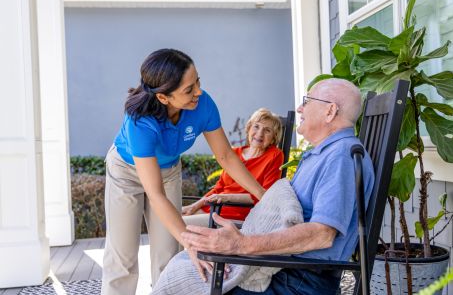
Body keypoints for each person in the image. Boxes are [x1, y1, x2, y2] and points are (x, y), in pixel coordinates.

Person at [182, 78, 375, 295]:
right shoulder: (323, 154)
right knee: (187, 268)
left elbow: (322, 234)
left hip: (298, 280)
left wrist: (240, 246)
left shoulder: (340, 157)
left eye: (308, 101)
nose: (300, 107)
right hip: (284, 267)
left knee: (191, 284)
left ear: (330, 112)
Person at [101, 49, 266, 295]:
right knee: (122, 258)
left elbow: (225, 156)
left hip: (167, 171)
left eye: (197, 81)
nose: (198, 91)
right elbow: (155, 194)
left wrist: (263, 195)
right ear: (164, 98)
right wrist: (189, 240)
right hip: (127, 173)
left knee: (168, 255)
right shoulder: (140, 122)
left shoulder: (202, 104)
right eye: (188, 89)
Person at [182, 108, 284, 226]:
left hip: (235, 213)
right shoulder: (233, 154)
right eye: (256, 126)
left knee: (178, 224)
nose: (260, 133)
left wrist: (226, 198)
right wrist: (193, 206)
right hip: (216, 208)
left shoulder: (274, 155)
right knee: (171, 217)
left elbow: (265, 196)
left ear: (274, 137)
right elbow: (218, 188)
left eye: (267, 130)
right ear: (249, 128)